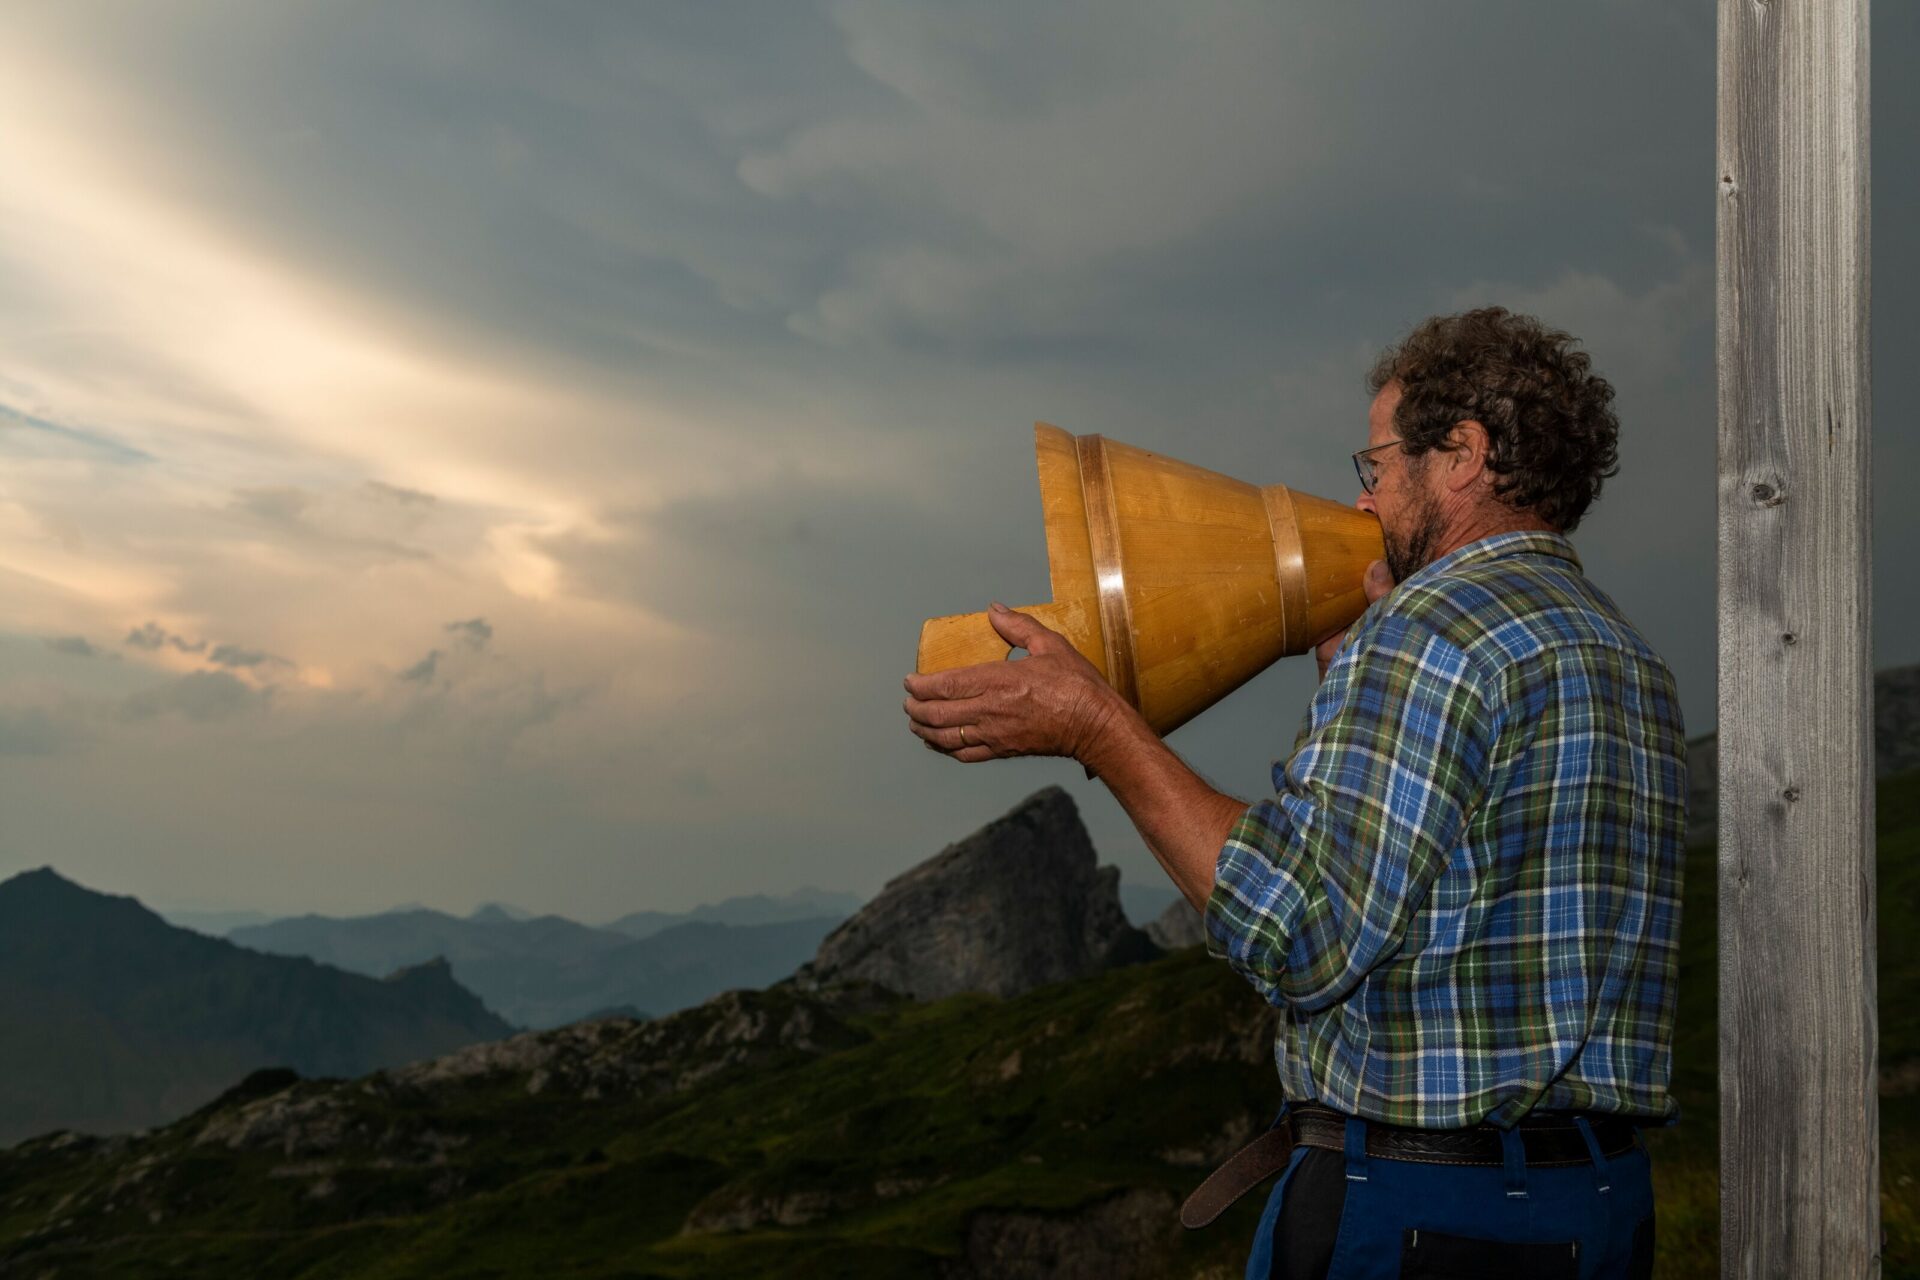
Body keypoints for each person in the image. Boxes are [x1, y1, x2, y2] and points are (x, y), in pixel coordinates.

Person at [901, 306, 1685, 1279]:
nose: (1364, 503)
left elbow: (1300, 934)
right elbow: (1472, 901)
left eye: (1378, 466)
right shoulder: (1624, 654)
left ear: (1464, 454)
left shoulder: (1429, 632)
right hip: (1599, 1205)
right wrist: (1347, 719)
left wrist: (1098, 725)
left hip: (1418, 1216)